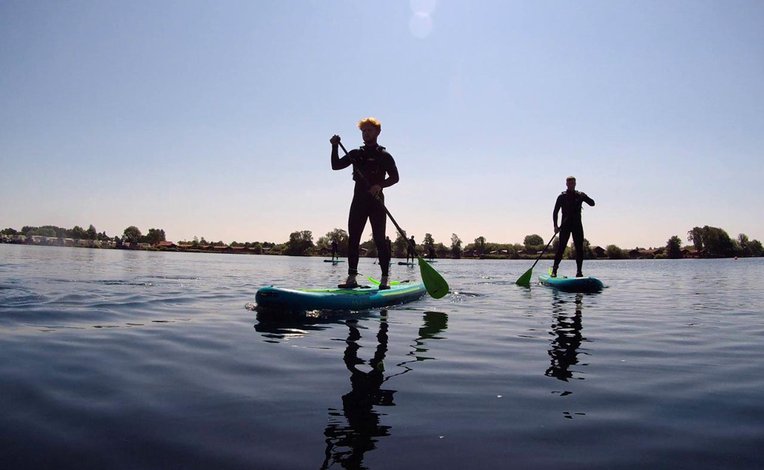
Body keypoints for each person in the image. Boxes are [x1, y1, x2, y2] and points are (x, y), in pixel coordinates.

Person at [330, 117, 399, 289]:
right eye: (363, 131)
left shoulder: (384, 156)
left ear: (377, 132)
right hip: (358, 201)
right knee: (353, 239)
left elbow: (395, 177)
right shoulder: (356, 154)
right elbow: (335, 165)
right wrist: (334, 146)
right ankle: (351, 278)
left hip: (376, 202)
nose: (365, 134)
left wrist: (379, 185)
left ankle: (384, 278)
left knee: (379, 240)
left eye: (369, 130)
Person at [551, 176, 595, 278]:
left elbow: (592, 204)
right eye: (569, 183)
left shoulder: (579, 195)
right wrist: (555, 226)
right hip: (565, 225)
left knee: (579, 249)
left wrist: (585, 197)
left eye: (573, 183)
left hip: (577, 225)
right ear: (566, 184)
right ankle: (554, 270)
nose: (571, 185)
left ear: (575, 184)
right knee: (561, 248)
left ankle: (579, 272)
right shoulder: (562, 197)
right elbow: (555, 212)